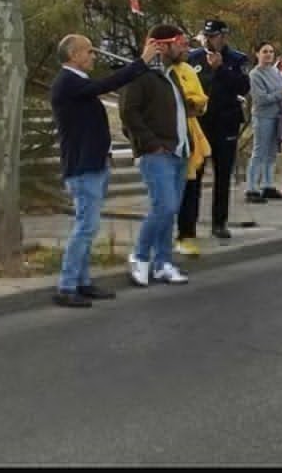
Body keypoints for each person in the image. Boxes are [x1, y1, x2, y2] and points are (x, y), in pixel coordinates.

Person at [49, 34, 155, 307]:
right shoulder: (68, 82)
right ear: (73, 55)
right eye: (89, 51)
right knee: (85, 227)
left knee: (88, 226)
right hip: (82, 166)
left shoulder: (77, 82)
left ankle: (82, 282)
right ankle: (67, 285)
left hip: (93, 163)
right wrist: (141, 62)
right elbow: (109, 83)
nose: (94, 56)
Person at [119, 25, 195, 287]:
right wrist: (150, 143)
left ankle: (163, 262)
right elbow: (129, 113)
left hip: (179, 152)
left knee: (169, 210)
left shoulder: (170, 75)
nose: (186, 48)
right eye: (181, 43)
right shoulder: (138, 74)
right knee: (164, 206)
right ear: (162, 46)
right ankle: (140, 257)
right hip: (157, 153)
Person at [180, 20, 251, 242]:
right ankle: (188, 226)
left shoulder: (237, 59)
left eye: (215, 36)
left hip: (226, 122)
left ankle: (219, 222)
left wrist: (221, 69)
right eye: (208, 36)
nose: (211, 41)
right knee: (194, 176)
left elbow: (243, 86)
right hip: (201, 124)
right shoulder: (194, 59)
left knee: (222, 176)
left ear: (223, 36)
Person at [246, 42, 282, 203]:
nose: (269, 54)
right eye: (264, 51)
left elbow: (281, 93)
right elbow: (261, 99)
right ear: (257, 53)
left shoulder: (275, 71)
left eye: (271, 51)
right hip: (263, 117)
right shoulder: (255, 74)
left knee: (272, 152)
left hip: (277, 116)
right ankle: (251, 188)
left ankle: (268, 186)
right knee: (259, 151)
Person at [170, 48, 212, 258]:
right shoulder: (160, 72)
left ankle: (187, 233)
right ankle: (166, 237)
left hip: (192, 133)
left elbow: (200, 98)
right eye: (179, 45)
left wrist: (196, 105)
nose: (184, 50)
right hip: (169, 137)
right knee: (172, 192)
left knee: (193, 187)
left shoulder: (188, 69)